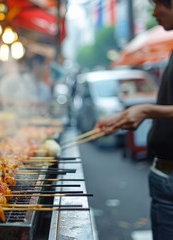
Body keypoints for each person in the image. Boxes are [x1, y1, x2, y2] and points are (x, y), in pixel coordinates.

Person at [95, 1, 173, 239]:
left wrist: (147, 110)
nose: (153, 12)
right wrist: (126, 116)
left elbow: (154, 109)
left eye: (159, 5)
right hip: (164, 177)